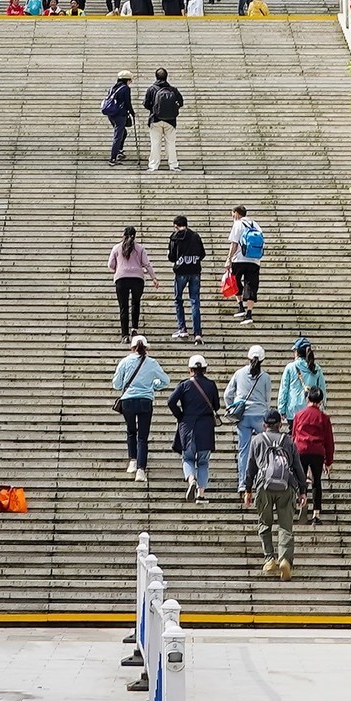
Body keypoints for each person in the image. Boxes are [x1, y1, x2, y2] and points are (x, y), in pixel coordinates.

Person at [242, 408, 305, 579]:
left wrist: (248, 489)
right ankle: (285, 560)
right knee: (286, 526)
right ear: (280, 423)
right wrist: (303, 491)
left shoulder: (257, 440)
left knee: (264, 523)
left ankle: (270, 558)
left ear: (264, 425)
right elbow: (298, 467)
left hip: (264, 486)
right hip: (286, 487)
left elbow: (250, 468)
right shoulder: (289, 441)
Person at [112, 334, 172, 482]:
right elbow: (166, 380)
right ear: (146, 348)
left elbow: (117, 384)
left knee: (131, 431)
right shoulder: (152, 362)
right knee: (143, 437)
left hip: (128, 401)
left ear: (132, 347)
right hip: (145, 401)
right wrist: (153, 385)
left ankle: (132, 461)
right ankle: (141, 470)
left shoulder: (125, 361)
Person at [168, 353, 220, 501]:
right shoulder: (211, 385)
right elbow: (216, 406)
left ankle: (191, 480)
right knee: (203, 462)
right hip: (206, 428)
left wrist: (181, 416)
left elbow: (171, 401)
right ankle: (201, 494)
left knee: (188, 459)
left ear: (190, 369)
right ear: (205, 369)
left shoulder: (184, 385)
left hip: (188, 427)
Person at [225, 344, 272, 492]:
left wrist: (231, 407)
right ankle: (262, 479)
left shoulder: (239, 373)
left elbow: (227, 394)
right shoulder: (265, 377)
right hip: (260, 416)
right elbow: (267, 400)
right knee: (264, 449)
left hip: (243, 416)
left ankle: (243, 483)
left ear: (248, 357)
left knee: (244, 450)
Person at [291, 385, 335, 524]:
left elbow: (293, 436)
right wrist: (328, 461)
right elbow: (329, 441)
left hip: (301, 450)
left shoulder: (299, 415)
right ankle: (316, 514)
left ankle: (301, 505)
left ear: (307, 398)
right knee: (317, 482)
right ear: (320, 402)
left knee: (301, 481)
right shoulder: (324, 418)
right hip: (317, 452)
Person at [108, 225, 158, 341]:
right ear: (134, 236)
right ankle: (134, 330)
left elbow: (110, 265)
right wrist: (154, 278)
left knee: (123, 307)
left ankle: (125, 335)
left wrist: (118, 268)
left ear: (123, 235)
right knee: (136, 303)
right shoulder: (140, 248)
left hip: (121, 279)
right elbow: (147, 264)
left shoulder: (116, 248)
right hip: (137, 279)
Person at [168, 213, 206, 342]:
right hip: (195, 271)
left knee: (178, 300)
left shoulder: (174, 237)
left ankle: (182, 329)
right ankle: (197, 333)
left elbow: (172, 257)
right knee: (195, 301)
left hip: (181, 272)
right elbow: (202, 253)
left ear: (176, 226)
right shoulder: (195, 236)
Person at [226, 205, 265, 324]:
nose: (232, 216)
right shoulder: (255, 224)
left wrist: (229, 258)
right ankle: (249, 314)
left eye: (232, 214)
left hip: (239, 259)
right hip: (254, 260)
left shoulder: (237, 224)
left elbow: (234, 244)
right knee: (251, 285)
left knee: (235, 281)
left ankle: (240, 306)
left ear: (236, 213)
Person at [279, 338, 328, 423]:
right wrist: (321, 408)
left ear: (297, 352)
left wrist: (281, 410)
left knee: (294, 435)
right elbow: (322, 390)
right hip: (311, 410)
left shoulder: (290, 367)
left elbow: (284, 390)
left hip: (293, 411)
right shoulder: (316, 369)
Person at [144, 67, 184, 172]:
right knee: (170, 143)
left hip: (155, 120)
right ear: (167, 76)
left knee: (155, 143)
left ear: (156, 76)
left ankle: (153, 165)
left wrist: (154, 110)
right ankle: (173, 165)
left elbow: (146, 104)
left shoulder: (151, 89)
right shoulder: (172, 89)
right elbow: (181, 102)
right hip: (170, 121)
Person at [103, 69, 135, 165]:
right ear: (127, 80)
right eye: (130, 79)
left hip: (111, 114)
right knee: (118, 135)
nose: (131, 81)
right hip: (120, 115)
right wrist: (132, 113)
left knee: (123, 133)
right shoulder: (125, 88)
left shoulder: (113, 88)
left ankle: (119, 151)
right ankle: (113, 159)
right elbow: (127, 102)